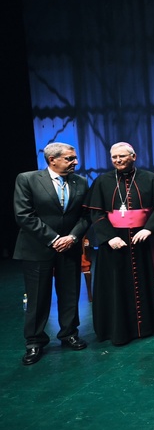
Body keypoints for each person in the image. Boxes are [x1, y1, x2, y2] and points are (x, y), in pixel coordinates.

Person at [85, 142, 154, 346]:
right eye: (114, 157)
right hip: (115, 241)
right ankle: (119, 328)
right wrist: (109, 237)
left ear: (133, 157)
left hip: (145, 239)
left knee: (146, 280)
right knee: (118, 284)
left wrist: (148, 229)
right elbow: (96, 213)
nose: (117, 160)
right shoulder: (102, 181)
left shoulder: (150, 178)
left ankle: (150, 324)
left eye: (122, 156)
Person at [14, 142, 89, 365]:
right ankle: (35, 342)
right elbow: (24, 215)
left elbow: (85, 216)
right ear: (52, 160)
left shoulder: (81, 182)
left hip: (70, 247)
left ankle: (69, 334)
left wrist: (72, 238)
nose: (75, 162)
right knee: (37, 297)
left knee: (70, 293)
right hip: (37, 247)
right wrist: (54, 239)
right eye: (69, 159)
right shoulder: (27, 179)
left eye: (75, 158)